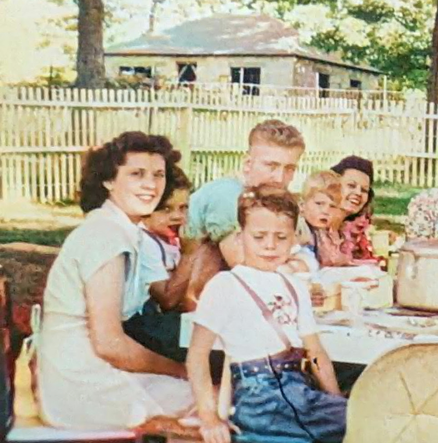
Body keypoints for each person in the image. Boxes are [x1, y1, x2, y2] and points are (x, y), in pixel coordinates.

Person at [37, 131, 194, 429]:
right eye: (137, 174)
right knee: (207, 399)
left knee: (209, 396)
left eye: (158, 175)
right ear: (109, 180)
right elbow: (110, 345)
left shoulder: (121, 229)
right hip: (80, 382)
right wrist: (180, 370)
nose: (151, 185)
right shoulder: (105, 235)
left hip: (90, 369)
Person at [187, 186, 346, 443]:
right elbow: (197, 354)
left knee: (363, 416)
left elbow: (316, 353)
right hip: (259, 399)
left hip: (297, 390)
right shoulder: (226, 285)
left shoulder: (294, 286)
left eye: (281, 237)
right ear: (240, 237)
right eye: (259, 237)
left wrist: (335, 398)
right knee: (362, 423)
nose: (270, 246)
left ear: (294, 239)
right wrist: (209, 417)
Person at [178, 119, 305, 305]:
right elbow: (250, 269)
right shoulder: (228, 195)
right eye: (271, 166)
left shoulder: (265, 200)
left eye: (289, 169)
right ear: (247, 164)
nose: (280, 178)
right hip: (181, 303)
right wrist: (294, 266)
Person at [122, 164, 192, 361]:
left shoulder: (170, 239)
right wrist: (189, 255)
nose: (177, 216)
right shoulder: (145, 242)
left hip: (163, 319)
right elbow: (167, 299)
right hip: (143, 325)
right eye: (166, 209)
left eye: (183, 208)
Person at [297, 170, 346, 268]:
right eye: (319, 203)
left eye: (332, 206)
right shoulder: (299, 228)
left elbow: (331, 259)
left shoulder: (323, 232)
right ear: (302, 206)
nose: (326, 211)